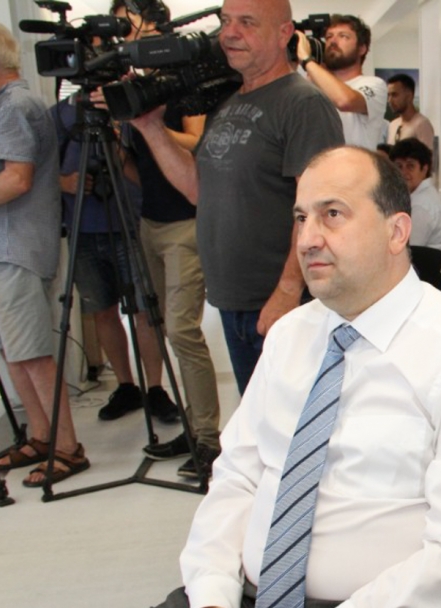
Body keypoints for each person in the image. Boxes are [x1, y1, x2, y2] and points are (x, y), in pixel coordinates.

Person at [0, 145, 441, 608]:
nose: (307, 238)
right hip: (246, 601)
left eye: (332, 214)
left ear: (397, 231)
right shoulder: (291, 337)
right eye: (301, 217)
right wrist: (212, 602)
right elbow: (236, 477)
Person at [130, 0, 346, 398]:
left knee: (292, 421)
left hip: (282, 303)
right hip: (235, 302)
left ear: (284, 33)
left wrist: (287, 291)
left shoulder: (303, 103)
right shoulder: (229, 103)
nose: (230, 33)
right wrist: (150, 128)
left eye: (247, 23)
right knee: (260, 418)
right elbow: (197, 189)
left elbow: (320, 211)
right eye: (226, 21)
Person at [107, 0, 223, 478]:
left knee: (181, 330)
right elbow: (133, 166)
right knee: (160, 326)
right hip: (150, 221)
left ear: (155, 25)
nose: (122, 35)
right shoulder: (135, 85)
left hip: (184, 224)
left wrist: (153, 124)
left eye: (127, 24)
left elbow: (199, 143)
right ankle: (193, 427)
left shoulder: (183, 80)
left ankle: (209, 438)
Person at [0, 21, 88, 486]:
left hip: (12, 247)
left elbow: (16, 179)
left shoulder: (14, 106)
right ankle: (40, 436)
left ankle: (67, 447)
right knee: (10, 348)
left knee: (32, 351)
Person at [53, 93, 177, 424]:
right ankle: (126, 386)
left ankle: (155, 388)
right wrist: (64, 182)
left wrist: (120, 143)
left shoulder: (129, 106)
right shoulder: (61, 114)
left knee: (145, 310)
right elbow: (38, 167)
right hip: (82, 226)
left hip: (130, 221)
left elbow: (149, 167)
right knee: (101, 310)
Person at [295, 15, 386, 149]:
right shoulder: (312, 84)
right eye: (328, 37)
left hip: (352, 162)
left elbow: (345, 101)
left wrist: (307, 60)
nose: (333, 41)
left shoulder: (374, 84)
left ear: (362, 48)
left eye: (343, 36)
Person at [388, 138, 441, 252]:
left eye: (410, 166)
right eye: (399, 166)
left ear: (424, 169)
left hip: (424, 262)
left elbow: (406, 249)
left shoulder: (421, 205)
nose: (403, 172)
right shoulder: (420, 194)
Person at [386, 73, 434, 149]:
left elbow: (426, 155)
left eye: (394, 95)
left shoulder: (422, 124)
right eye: (388, 95)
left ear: (409, 96)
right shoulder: (393, 125)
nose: (390, 100)